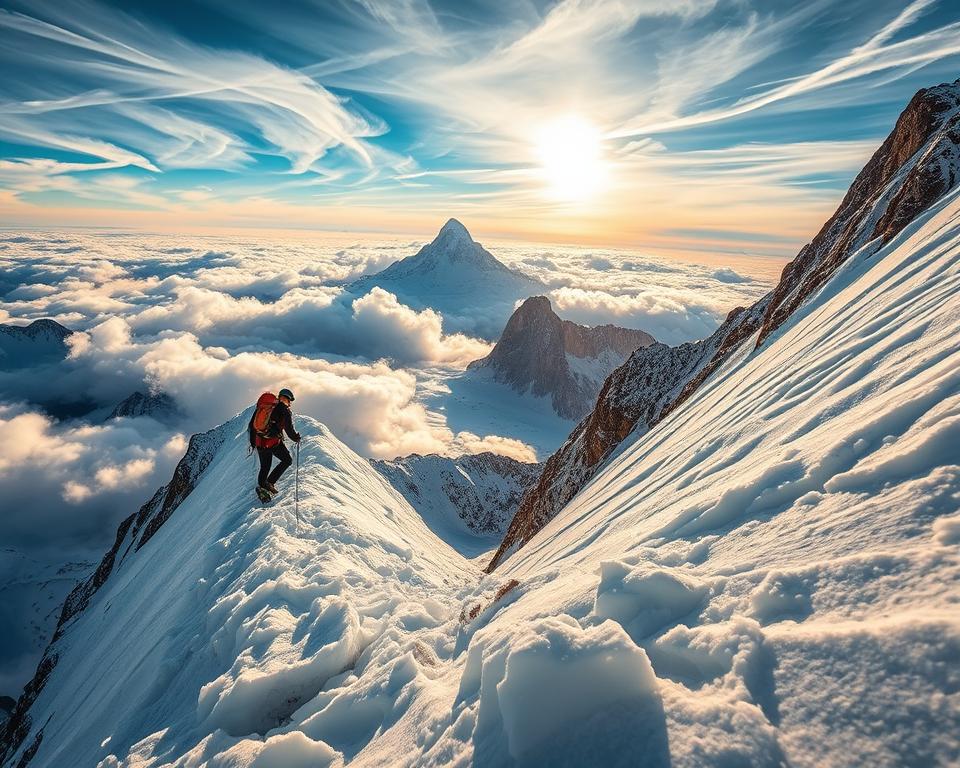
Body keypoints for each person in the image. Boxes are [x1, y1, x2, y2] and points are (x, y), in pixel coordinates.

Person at [249, 388, 301, 495]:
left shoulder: (263, 407)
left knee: (265, 467)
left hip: (260, 441)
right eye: (289, 400)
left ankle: (264, 486)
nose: (289, 403)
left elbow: (252, 425)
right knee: (287, 460)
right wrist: (296, 438)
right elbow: (289, 429)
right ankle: (268, 484)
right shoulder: (284, 410)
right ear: (285, 398)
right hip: (272, 442)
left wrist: (253, 442)